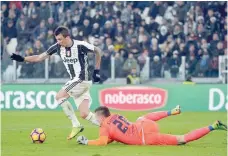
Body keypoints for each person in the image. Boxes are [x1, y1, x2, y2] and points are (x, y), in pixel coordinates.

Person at [10, 26, 102, 140]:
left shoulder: (80, 45)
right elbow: (39, 57)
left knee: (59, 96)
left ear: (67, 37)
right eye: (56, 39)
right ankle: (109, 125)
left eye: (60, 39)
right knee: (84, 114)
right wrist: (23, 59)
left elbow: (98, 50)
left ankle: (76, 125)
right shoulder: (57, 47)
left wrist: (97, 70)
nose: (58, 42)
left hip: (82, 79)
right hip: (76, 83)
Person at [77, 106, 227, 146]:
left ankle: (213, 126)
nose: (96, 120)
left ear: (101, 117)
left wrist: (86, 142)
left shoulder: (103, 125)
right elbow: (112, 137)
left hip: (146, 137)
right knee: (142, 117)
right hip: (145, 125)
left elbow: (103, 142)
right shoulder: (116, 115)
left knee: (182, 139)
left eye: (96, 117)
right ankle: (171, 111)